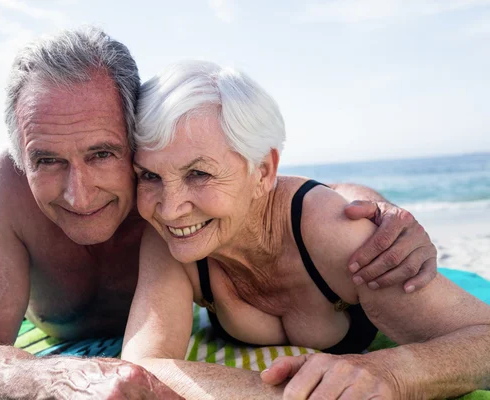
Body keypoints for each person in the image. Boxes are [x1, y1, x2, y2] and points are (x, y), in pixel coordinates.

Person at [0, 27, 438, 399]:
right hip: (73, 342)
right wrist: (64, 378)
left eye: (102, 154)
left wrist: (375, 209)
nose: (79, 194)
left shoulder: (165, 192)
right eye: (47, 161)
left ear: (135, 134)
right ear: (20, 156)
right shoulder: (6, 189)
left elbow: (258, 181)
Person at [121, 60, 490, 399]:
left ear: (263, 170)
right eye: (150, 175)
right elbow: (138, 370)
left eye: (198, 173)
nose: (169, 208)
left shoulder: (338, 236)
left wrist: (389, 373)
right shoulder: (167, 235)